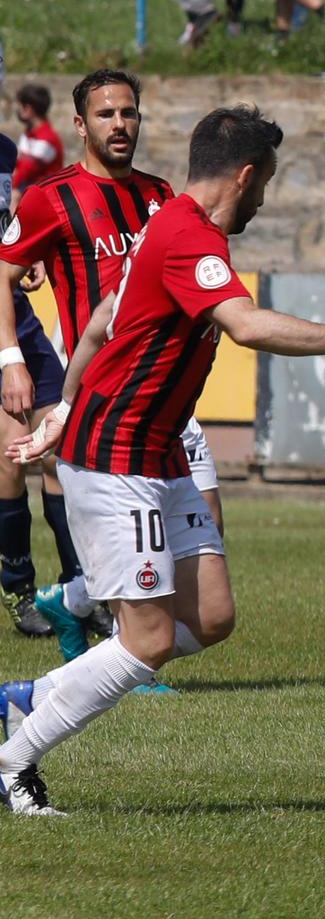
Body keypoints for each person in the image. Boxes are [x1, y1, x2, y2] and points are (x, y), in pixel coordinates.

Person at [0, 106, 325, 816]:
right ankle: (13, 762)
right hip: (117, 455)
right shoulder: (186, 231)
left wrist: (65, 406)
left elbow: (105, 315)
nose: (262, 202)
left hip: (155, 449)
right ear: (248, 174)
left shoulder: (166, 218)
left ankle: (31, 698)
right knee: (146, 644)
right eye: (264, 187)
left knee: (214, 613)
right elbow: (247, 324)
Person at [0, 69, 227, 659]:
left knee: (209, 558)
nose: (120, 124)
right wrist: (11, 360)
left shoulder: (163, 197)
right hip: (108, 398)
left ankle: (72, 600)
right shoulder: (52, 197)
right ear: (80, 124)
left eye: (129, 113)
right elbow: (3, 275)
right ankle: (133, 653)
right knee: (156, 564)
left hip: (169, 392)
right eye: (105, 114)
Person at [0, 133, 67, 637]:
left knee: (60, 447)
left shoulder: (5, 149)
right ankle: (19, 590)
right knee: (12, 454)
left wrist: (27, 251)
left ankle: (78, 591)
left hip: (17, 317)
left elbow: (11, 221)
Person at [12, 86, 63, 189]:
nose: (18, 110)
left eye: (21, 106)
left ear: (28, 108)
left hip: (43, 194)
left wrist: (10, 188)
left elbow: (27, 169)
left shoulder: (47, 139)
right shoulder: (29, 133)